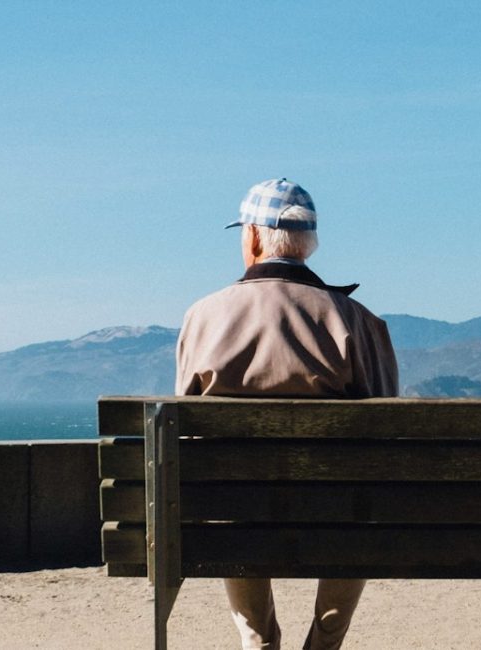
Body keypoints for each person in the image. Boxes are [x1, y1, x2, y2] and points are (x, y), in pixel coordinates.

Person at [175, 178, 399, 650]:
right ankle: (325, 642)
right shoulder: (357, 321)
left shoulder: (204, 316)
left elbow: (184, 438)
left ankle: (258, 640)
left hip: (236, 515)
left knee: (227, 499)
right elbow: (387, 437)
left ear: (253, 237)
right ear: (307, 245)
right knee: (362, 503)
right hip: (335, 515)